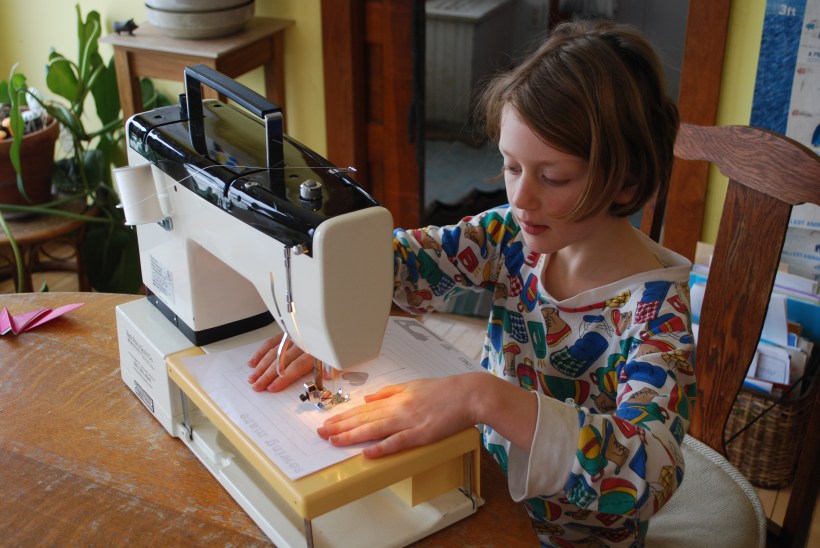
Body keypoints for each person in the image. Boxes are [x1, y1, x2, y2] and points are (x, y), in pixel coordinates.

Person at [247, 18, 694, 547]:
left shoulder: (654, 312)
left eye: (552, 178)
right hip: (479, 489)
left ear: (626, 184)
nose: (520, 198)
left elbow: (650, 470)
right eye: (511, 166)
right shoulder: (508, 235)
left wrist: (483, 397)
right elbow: (405, 262)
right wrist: (326, 311)